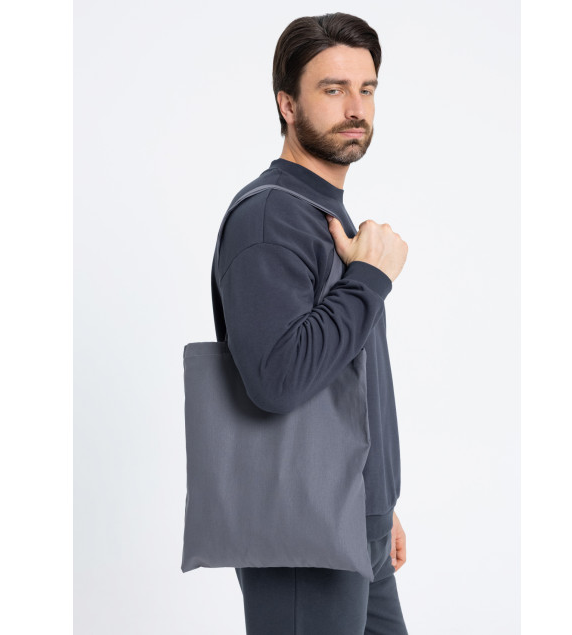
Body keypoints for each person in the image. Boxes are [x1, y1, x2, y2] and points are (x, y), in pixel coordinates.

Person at [211, 12, 409, 634]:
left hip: (356, 522)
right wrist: (369, 279)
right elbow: (277, 378)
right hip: (305, 534)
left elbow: (347, 373)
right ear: (288, 105)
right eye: (333, 89)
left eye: (366, 89)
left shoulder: (321, 212)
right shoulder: (269, 217)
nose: (355, 108)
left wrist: (380, 500)